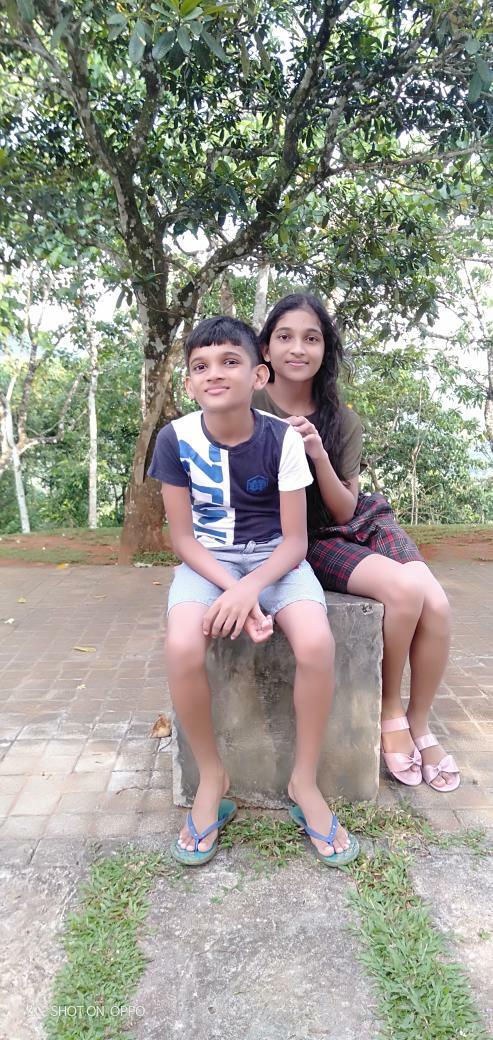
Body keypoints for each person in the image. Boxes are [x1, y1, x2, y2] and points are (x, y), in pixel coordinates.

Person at [148, 315, 359, 868]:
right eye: (200, 366)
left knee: (316, 643)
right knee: (181, 645)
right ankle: (211, 777)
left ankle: (303, 782)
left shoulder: (282, 438)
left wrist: (253, 588)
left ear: (258, 375)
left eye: (229, 361)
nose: (214, 373)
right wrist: (234, 590)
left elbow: (295, 542)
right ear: (189, 383)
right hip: (208, 562)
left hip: (276, 559)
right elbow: (182, 539)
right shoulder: (175, 439)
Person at [254, 293, 460, 793]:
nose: (297, 348)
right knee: (404, 592)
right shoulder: (251, 405)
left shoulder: (341, 419)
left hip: (359, 516)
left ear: (325, 349)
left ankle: (420, 723)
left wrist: (317, 453)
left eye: (311, 338)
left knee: (437, 603)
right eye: (284, 336)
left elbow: (347, 508)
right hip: (307, 534)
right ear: (265, 348)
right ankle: (390, 712)